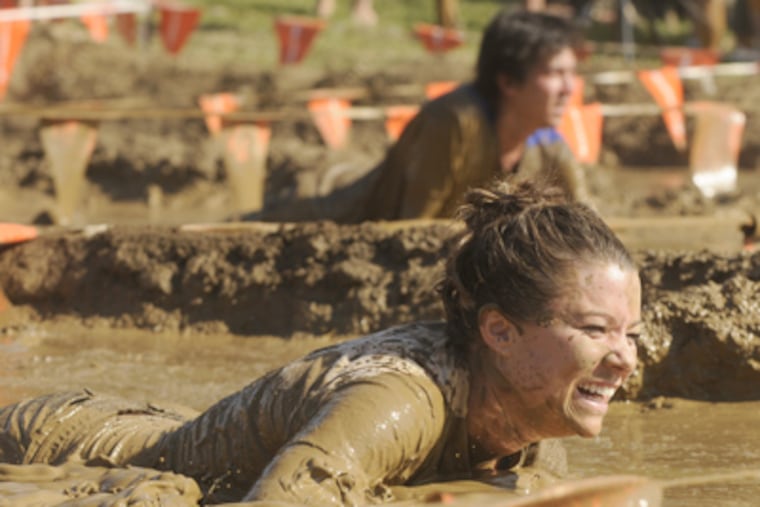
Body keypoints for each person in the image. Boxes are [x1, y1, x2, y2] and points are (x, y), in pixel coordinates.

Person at [0, 181, 641, 506]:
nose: (625, 359)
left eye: (631, 333)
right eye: (595, 330)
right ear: (499, 330)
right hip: (60, 447)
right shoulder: (395, 402)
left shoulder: (532, 441)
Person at [254, 8, 590, 223]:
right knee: (259, 225)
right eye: (555, 74)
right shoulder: (454, 120)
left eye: (571, 74)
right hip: (346, 221)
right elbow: (414, 231)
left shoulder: (549, 145)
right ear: (508, 81)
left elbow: (589, 223)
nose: (568, 88)